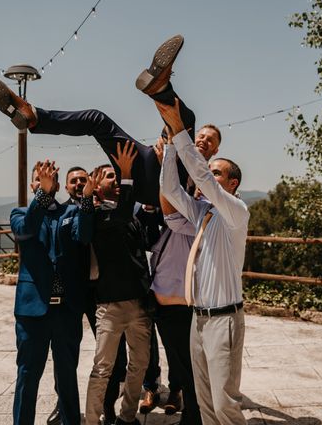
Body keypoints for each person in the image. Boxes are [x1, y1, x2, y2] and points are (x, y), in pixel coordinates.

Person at [0, 34, 194, 206]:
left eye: (209, 140)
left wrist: (164, 164)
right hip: (150, 165)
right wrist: (166, 155)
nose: (203, 140)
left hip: (172, 189)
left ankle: (160, 89)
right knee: (96, 120)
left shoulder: (208, 178)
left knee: (186, 122)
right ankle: (34, 116)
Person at [157, 100, 249, 425]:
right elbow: (170, 188)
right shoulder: (202, 215)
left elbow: (201, 177)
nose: (208, 177)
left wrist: (180, 131)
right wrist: (170, 146)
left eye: (217, 173)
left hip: (224, 322)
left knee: (225, 406)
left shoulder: (236, 211)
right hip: (197, 321)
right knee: (206, 406)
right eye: (210, 173)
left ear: (232, 184)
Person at [143, 123, 221, 425]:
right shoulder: (172, 172)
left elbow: (175, 213)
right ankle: (184, 403)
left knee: (190, 365)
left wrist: (171, 168)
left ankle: (195, 414)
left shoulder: (206, 199)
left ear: (215, 150)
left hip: (190, 296)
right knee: (179, 358)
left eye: (209, 139)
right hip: (163, 291)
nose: (202, 140)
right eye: (199, 135)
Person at [10, 160, 96, 425]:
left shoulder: (70, 211)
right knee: (27, 375)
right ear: (33, 184)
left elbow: (84, 235)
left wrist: (88, 200)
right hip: (32, 312)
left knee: (68, 375)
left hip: (66, 311)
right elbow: (26, 231)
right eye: (38, 180)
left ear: (57, 185)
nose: (43, 183)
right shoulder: (20, 214)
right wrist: (41, 196)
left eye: (48, 180)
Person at [47, 166, 127, 425]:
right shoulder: (61, 213)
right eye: (74, 181)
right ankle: (63, 404)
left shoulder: (106, 208)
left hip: (103, 291)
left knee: (114, 354)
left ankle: (108, 404)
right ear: (67, 187)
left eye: (84, 179)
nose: (79, 183)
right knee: (66, 354)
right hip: (72, 291)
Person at [84, 142, 153, 425]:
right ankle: (91, 420)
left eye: (117, 175)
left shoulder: (131, 216)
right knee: (103, 367)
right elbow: (122, 213)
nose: (115, 177)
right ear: (97, 186)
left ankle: (127, 418)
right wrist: (126, 173)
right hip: (110, 304)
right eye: (109, 175)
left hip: (138, 304)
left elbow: (142, 249)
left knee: (139, 365)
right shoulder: (96, 215)